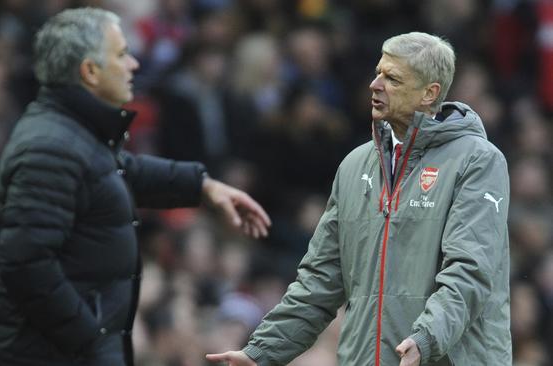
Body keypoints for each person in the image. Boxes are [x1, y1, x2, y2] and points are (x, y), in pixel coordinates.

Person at [0, 7, 271, 366]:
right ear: (89, 71)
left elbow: (118, 171)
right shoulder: (50, 147)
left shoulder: (73, 133)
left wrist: (204, 187)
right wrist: (91, 339)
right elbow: (26, 264)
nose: (133, 64)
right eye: (121, 54)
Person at [207, 32, 511, 366]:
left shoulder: (478, 160)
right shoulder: (354, 165)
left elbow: (470, 271)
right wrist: (260, 353)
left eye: (392, 78)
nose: (374, 84)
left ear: (430, 93)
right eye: (378, 72)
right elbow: (319, 281)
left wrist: (426, 338)